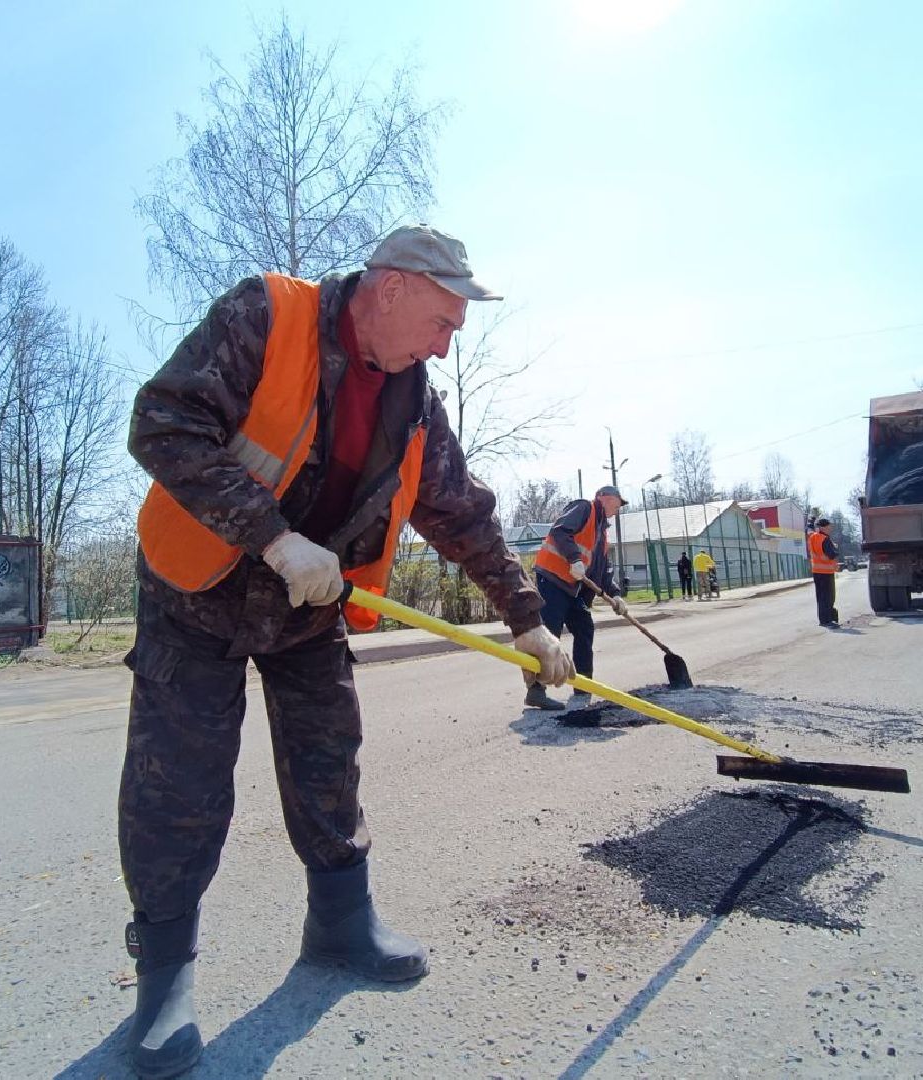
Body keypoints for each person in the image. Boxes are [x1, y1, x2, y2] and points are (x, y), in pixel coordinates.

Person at [121, 224, 575, 1077]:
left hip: (308, 604)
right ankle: (164, 976)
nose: (445, 346)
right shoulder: (266, 315)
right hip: (196, 591)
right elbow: (163, 422)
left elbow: (461, 513)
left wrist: (526, 617)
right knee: (178, 783)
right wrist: (272, 536)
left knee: (329, 760)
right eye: (443, 323)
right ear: (391, 288)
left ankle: (339, 925)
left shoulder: (414, 401)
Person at [522, 486, 628, 712]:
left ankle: (583, 684)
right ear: (604, 498)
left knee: (584, 628)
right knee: (549, 633)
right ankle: (536, 690)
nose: (618, 509)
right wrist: (574, 559)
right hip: (553, 579)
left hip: (573, 588)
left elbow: (602, 570)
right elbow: (560, 531)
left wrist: (616, 595)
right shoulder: (584, 508)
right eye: (617, 503)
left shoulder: (602, 532)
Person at [808, 517, 841, 626]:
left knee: (821, 597)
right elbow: (831, 554)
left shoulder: (813, 537)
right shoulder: (825, 539)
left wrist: (811, 522)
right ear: (823, 527)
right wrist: (835, 548)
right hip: (826, 572)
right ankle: (827, 620)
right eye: (828, 526)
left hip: (816, 571)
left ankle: (823, 619)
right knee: (828, 597)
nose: (830, 528)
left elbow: (810, 532)